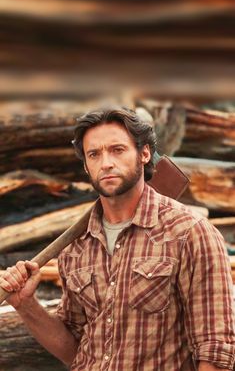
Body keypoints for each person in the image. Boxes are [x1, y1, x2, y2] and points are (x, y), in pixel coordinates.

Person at [0, 106, 234, 371]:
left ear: (145, 153)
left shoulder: (190, 233)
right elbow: (74, 350)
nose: (106, 163)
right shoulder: (75, 246)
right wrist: (26, 306)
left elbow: (216, 350)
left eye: (117, 150)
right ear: (86, 166)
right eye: (94, 154)